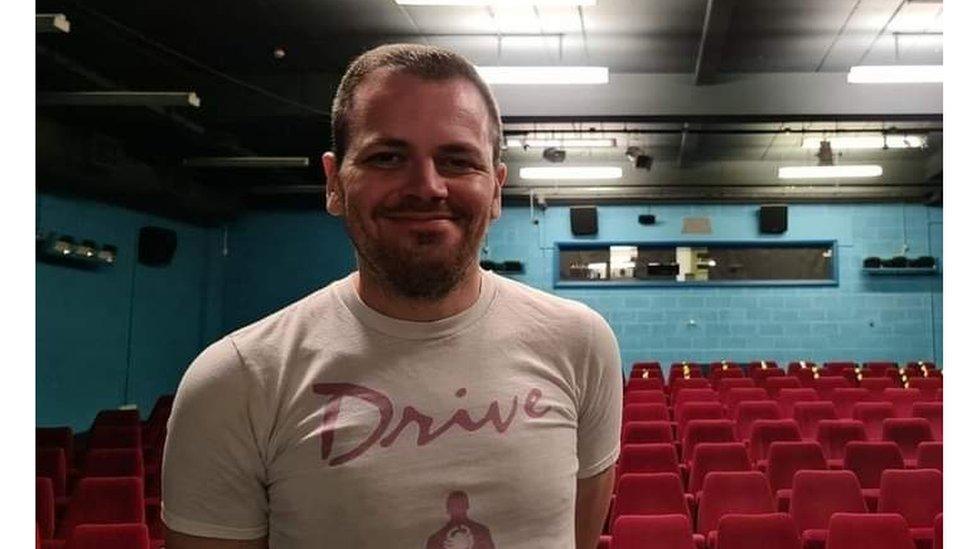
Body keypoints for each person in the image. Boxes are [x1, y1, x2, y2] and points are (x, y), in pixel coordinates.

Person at [162, 43, 622, 549]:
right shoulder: (237, 380)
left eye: (457, 160)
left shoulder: (580, 343)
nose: (426, 186)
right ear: (335, 182)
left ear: (495, 189)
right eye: (387, 157)